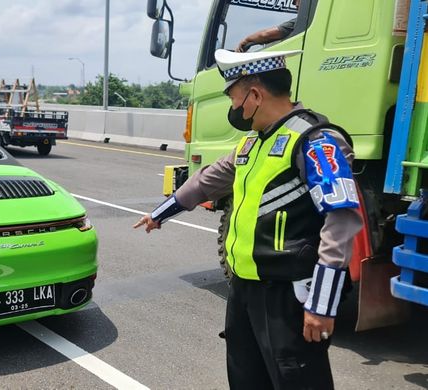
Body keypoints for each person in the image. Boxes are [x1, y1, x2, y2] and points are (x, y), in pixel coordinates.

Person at [133, 49, 362, 389]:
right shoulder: (253, 143)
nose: (233, 108)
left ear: (255, 95)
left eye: (234, 98)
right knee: (246, 377)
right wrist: (161, 214)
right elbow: (208, 179)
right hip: (245, 289)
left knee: (296, 378)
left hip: (287, 295)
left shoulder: (315, 140)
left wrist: (323, 304)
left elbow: (342, 220)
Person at [236, 0, 301, 52]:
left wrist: (246, 40)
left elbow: (265, 35)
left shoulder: (300, 22)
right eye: (294, 1)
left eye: (297, 1)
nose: (295, 4)